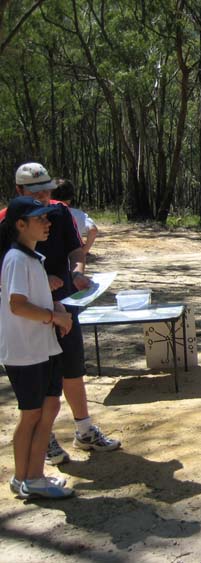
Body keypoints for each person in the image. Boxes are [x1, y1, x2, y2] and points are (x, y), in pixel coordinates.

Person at [3, 163, 120, 465]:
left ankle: (84, 430)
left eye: (47, 190)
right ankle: (44, 442)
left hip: (64, 307)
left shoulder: (60, 213)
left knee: (72, 369)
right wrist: (41, 283)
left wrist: (77, 272)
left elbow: (76, 250)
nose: (43, 198)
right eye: (36, 192)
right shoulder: (8, 221)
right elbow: (11, 279)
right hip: (31, 319)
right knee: (39, 387)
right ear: (19, 190)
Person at [1, 196, 74, 499]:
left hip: (42, 347)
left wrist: (55, 307)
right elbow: (17, 305)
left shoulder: (32, 257)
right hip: (25, 351)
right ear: (20, 225)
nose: (47, 224)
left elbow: (32, 299)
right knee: (32, 414)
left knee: (49, 407)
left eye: (47, 218)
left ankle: (27, 476)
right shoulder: (16, 259)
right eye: (40, 219)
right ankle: (31, 478)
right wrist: (54, 317)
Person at [53, 179, 99, 257]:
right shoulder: (79, 214)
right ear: (71, 197)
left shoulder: (44, 212)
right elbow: (93, 230)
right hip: (72, 255)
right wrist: (83, 252)